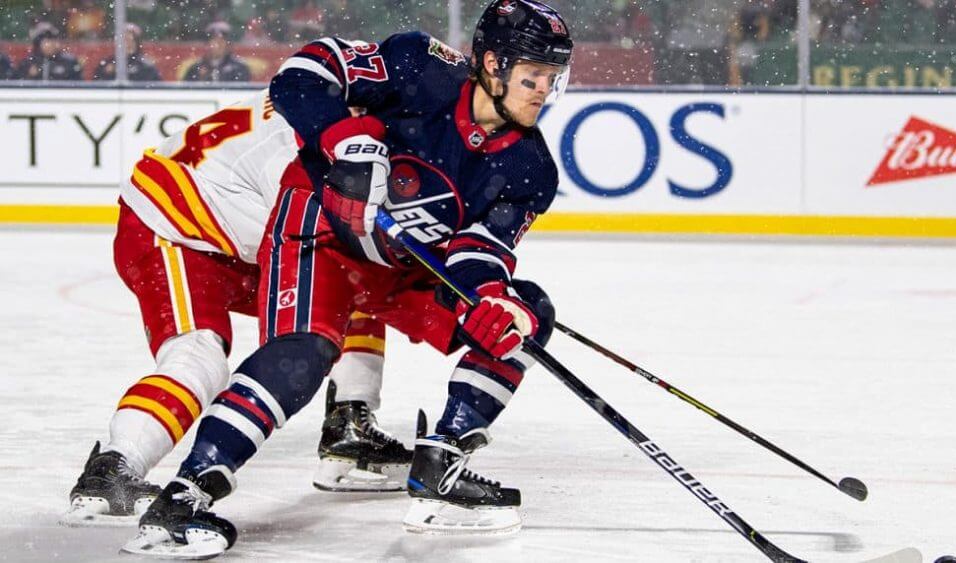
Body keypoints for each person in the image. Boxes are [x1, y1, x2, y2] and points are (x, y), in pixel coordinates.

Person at [123, 0, 573, 556]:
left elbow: (481, 250)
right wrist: (341, 134)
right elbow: (302, 74)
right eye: (533, 76)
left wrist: (488, 299)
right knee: (304, 354)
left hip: (403, 264)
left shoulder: (531, 168)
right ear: (490, 63)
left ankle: (443, 462)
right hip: (320, 231)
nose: (542, 91)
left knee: (526, 313)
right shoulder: (419, 65)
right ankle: (183, 499)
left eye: (552, 78)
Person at [61, 90, 413, 528]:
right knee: (198, 357)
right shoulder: (303, 151)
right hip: (174, 229)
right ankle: (112, 469)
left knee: (352, 279)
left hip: (233, 228)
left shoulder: (324, 109)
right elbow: (306, 235)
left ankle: (349, 428)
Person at [92, 23, 162, 82]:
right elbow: (96, 86)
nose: (126, 44)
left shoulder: (145, 66)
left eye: (129, 39)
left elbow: (154, 88)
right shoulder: (107, 63)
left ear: (136, 42)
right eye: (122, 39)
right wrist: (107, 73)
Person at [183, 22, 251, 82]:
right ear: (208, 45)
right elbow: (187, 91)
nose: (218, 46)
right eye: (215, 42)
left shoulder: (239, 68)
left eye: (221, 42)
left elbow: (241, 92)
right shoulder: (196, 68)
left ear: (228, 45)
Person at [15, 22, 83, 81]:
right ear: (38, 44)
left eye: (53, 39)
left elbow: (77, 86)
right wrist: (29, 76)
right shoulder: (28, 62)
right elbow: (17, 86)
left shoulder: (69, 62)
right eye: (47, 40)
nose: (51, 44)